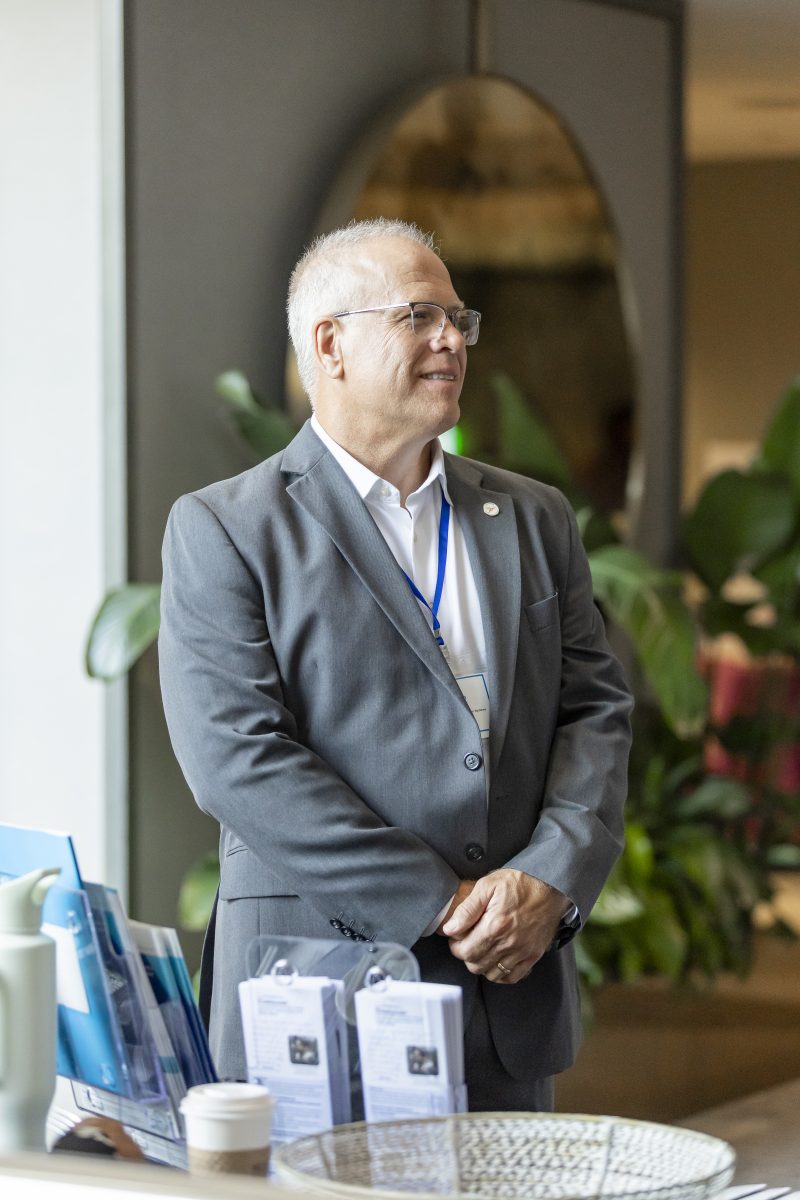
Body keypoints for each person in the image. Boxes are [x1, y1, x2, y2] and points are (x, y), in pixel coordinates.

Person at [159, 218, 633, 1112]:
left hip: (508, 989)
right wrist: (444, 904)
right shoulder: (226, 527)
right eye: (419, 316)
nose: (452, 339)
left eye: (459, 319)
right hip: (316, 994)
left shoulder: (535, 517)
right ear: (329, 345)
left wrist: (550, 877)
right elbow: (236, 760)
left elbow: (595, 710)